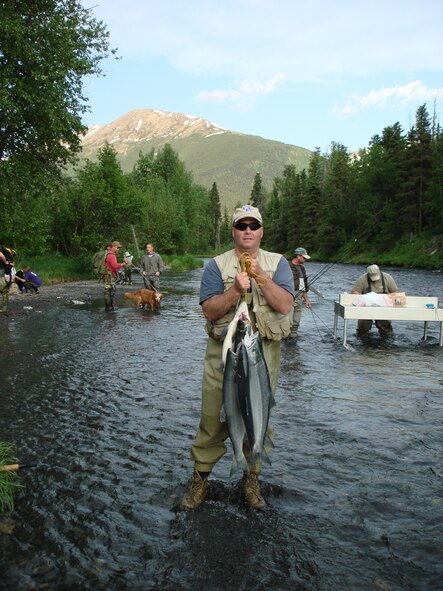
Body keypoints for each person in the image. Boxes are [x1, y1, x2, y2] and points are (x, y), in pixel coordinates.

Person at [180, 205, 295, 511]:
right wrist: (234, 289)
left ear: (261, 231)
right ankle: (199, 482)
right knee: (211, 419)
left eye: (253, 225)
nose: (247, 230)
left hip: (263, 356)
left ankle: (251, 480)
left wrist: (260, 277)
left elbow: (285, 306)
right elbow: (210, 310)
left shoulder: (278, 264)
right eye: (241, 225)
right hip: (223, 358)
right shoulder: (216, 266)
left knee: (259, 418)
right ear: (233, 231)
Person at [352, 264, 398, 336]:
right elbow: (355, 292)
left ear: (379, 271)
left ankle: (386, 339)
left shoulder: (387, 278)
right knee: (363, 326)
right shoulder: (362, 279)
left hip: (383, 307)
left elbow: (395, 293)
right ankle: (363, 338)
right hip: (366, 307)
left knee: (385, 327)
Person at [288, 247, 312, 338]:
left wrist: (307, 300)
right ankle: (285, 337)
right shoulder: (286, 266)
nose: (305, 259)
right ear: (298, 256)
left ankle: (293, 337)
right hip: (288, 295)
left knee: (296, 320)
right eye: (304, 257)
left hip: (299, 296)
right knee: (288, 320)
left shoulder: (302, 268)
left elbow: (303, 286)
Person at [103, 241, 125, 311]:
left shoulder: (107, 253)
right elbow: (115, 266)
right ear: (114, 247)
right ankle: (109, 307)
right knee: (111, 291)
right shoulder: (112, 255)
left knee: (107, 290)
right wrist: (123, 264)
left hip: (106, 275)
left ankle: (108, 307)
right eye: (118, 247)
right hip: (110, 276)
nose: (118, 249)